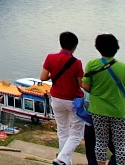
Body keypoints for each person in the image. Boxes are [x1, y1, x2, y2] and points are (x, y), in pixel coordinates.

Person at [81, 33, 125, 165]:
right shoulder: (124, 67)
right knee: (120, 144)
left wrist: (98, 91)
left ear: (98, 47)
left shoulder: (92, 64)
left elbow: (86, 86)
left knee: (101, 141)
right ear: (116, 48)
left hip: (98, 110)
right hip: (119, 111)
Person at [41, 31, 85, 165]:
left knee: (62, 131)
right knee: (77, 133)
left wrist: (52, 75)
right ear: (74, 46)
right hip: (73, 101)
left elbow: (43, 77)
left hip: (56, 98)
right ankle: (61, 159)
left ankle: (66, 162)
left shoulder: (50, 58)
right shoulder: (77, 63)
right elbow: (80, 84)